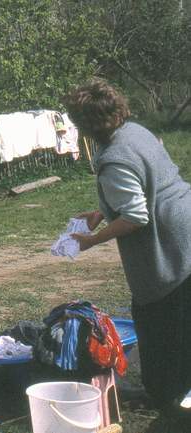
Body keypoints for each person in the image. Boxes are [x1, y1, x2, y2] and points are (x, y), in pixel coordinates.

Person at [64, 79, 191, 424]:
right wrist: (102, 211)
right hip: (186, 222)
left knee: (159, 318)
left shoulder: (114, 158)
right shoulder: (136, 132)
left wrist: (93, 239)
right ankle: (178, 386)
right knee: (183, 315)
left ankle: (165, 395)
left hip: (168, 242)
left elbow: (136, 215)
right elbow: (146, 183)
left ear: (85, 124)